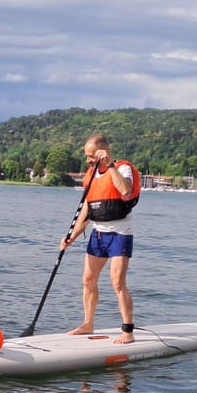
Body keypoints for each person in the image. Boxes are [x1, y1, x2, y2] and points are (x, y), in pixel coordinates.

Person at [60, 134, 141, 344]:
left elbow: (125, 190)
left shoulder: (122, 168)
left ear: (103, 151)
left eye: (91, 156)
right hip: (98, 234)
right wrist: (72, 236)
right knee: (88, 280)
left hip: (119, 234)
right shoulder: (90, 175)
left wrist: (110, 165)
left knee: (117, 283)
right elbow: (87, 209)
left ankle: (128, 331)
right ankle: (88, 323)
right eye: (86, 156)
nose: (88, 160)